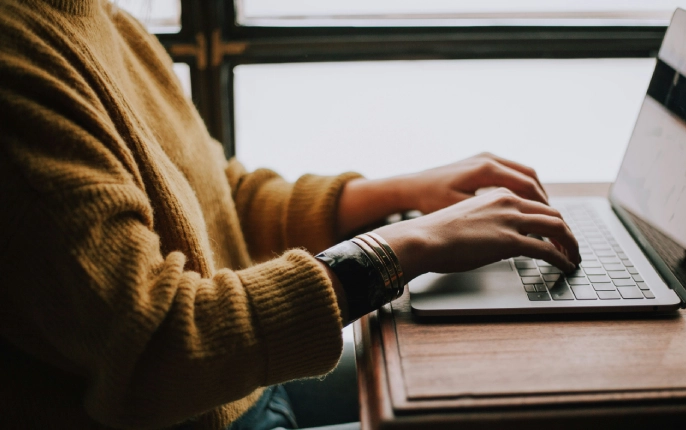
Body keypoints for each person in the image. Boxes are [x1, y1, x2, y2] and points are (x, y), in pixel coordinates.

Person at [0, 1, 580, 429]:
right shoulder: (17, 63)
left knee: (525, 383)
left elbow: (217, 198)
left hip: (239, 393)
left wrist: (402, 193)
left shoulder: (97, 17)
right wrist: (405, 246)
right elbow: (159, 348)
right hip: (205, 412)